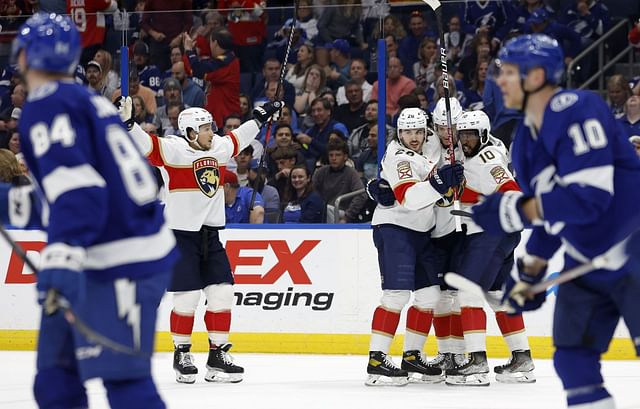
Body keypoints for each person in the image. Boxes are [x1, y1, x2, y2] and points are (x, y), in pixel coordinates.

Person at [10, 12, 177, 408]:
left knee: (125, 384)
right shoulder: (82, 101)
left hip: (124, 260)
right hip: (104, 248)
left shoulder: (48, 105)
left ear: (26, 56)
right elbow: (73, 197)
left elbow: (80, 197)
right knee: (55, 382)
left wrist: (60, 262)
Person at [469, 34, 640, 409]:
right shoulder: (525, 142)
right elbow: (550, 223)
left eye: (509, 72)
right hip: (587, 261)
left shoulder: (577, 107)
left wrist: (512, 210)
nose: (500, 81)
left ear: (537, 75)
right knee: (572, 359)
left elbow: (589, 199)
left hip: (634, 247)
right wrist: (527, 275)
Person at [118, 89, 282, 383]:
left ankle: (217, 355)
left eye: (211, 127)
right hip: (180, 236)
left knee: (222, 292)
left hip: (210, 234)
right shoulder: (173, 150)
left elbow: (239, 137)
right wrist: (130, 125)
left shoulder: (217, 147)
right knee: (187, 297)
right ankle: (182, 353)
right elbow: (146, 145)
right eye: (206, 128)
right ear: (191, 131)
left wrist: (262, 115)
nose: (212, 132)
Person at [365, 108, 464, 386]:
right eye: (408, 132)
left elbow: (446, 135)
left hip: (422, 232)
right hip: (395, 228)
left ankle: (412, 355)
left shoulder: (431, 140)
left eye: (418, 131)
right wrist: (439, 183)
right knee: (395, 296)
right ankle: (377, 360)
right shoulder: (399, 157)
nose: (414, 137)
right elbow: (408, 197)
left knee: (429, 296)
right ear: (399, 133)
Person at [444, 110, 534, 386]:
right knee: (496, 296)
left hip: (489, 234)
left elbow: (512, 190)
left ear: (483, 135)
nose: (466, 140)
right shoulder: (470, 157)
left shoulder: (488, 158)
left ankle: (476, 362)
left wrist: (462, 191)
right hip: (500, 236)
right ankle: (522, 359)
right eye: (463, 135)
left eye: (471, 135)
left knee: (467, 293)